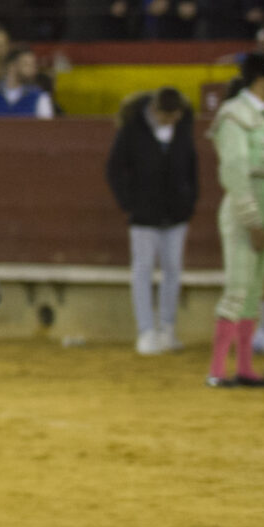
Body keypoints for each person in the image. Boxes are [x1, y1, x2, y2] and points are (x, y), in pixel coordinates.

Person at [205, 52, 264, 389]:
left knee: (254, 292)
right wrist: (253, 220)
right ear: (263, 78)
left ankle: (244, 368)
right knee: (238, 291)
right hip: (245, 212)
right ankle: (216, 370)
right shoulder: (235, 115)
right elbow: (235, 172)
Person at [107, 86, 197, 357]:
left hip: (176, 213)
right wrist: (129, 204)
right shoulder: (133, 127)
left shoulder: (183, 125)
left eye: (175, 118)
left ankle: (167, 329)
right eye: (167, 117)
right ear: (155, 111)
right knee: (143, 271)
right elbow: (113, 169)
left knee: (172, 270)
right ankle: (146, 331)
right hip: (144, 215)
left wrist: (189, 200)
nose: (171, 122)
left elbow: (191, 163)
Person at [0, 48, 56, 119]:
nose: (33, 69)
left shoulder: (40, 96)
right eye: (27, 64)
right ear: (12, 66)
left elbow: (46, 128)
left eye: (33, 65)